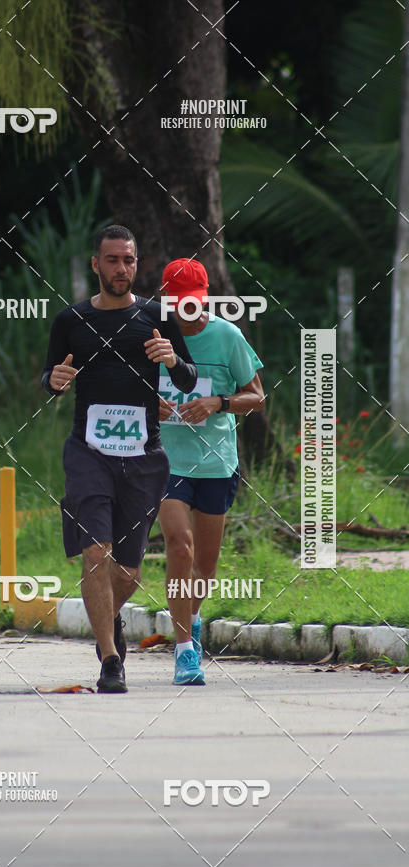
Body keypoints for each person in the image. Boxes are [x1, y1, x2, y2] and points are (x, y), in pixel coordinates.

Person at [42, 226, 197, 693]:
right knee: (96, 552)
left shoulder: (156, 317)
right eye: (112, 260)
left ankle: (106, 622)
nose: (121, 269)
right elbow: (48, 376)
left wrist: (172, 360)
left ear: (137, 263)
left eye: (128, 260)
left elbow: (188, 380)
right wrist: (54, 380)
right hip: (89, 454)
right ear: (96, 265)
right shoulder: (71, 320)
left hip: (144, 457)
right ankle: (110, 659)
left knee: (128, 571)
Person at [157, 258, 264, 685]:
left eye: (194, 304)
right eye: (178, 303)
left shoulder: (227, 336)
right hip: (166, 461)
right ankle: (184, 650)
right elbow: (125, 388)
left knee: (206, 564)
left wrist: (217, 402)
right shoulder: (152, 335)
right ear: (165, 299)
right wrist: (152, 404)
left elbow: (256, 396)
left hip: (217, 463)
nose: (187, 312)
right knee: (178, 547)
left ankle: (193, 617)